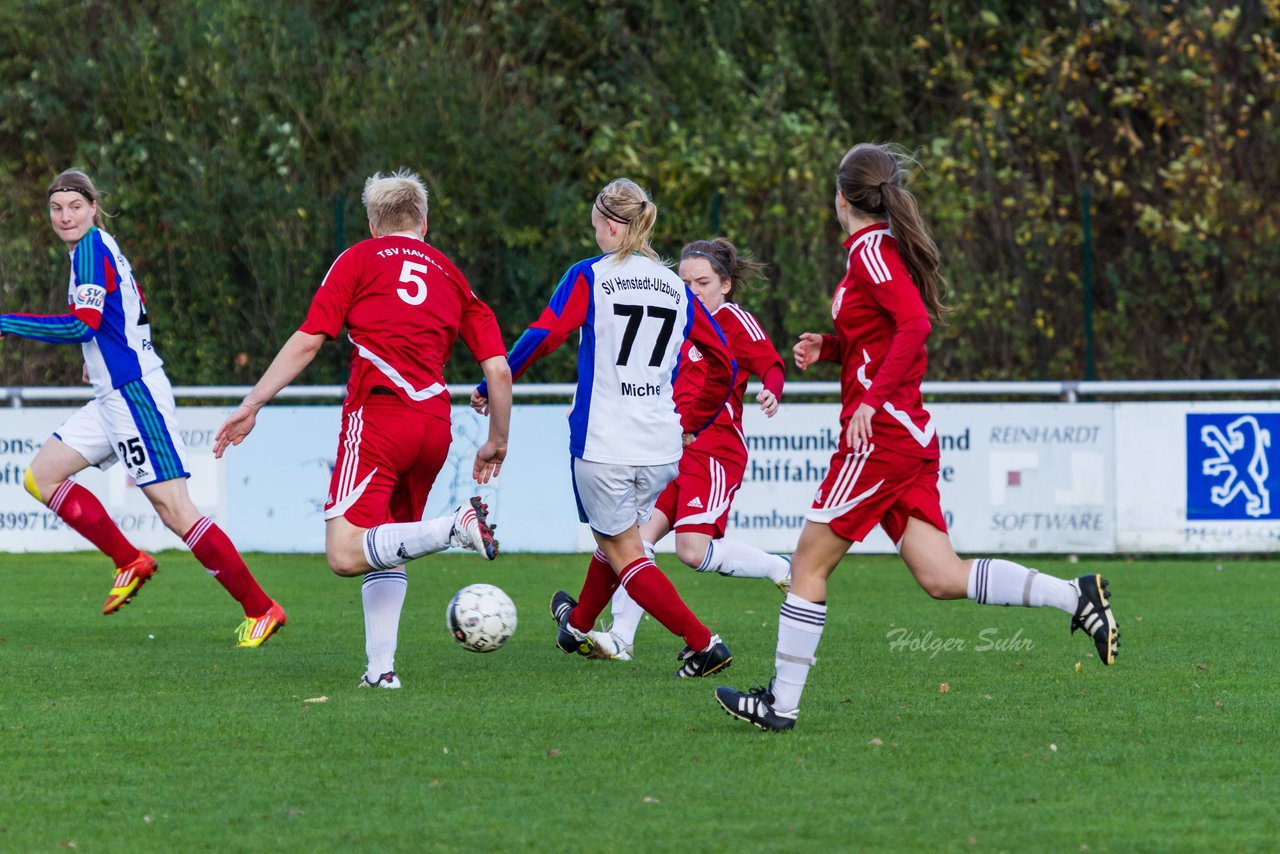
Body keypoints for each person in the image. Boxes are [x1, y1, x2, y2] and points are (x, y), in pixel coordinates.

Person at [715, 143, 1120, 732]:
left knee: (806, 566)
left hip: (880, 439)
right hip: (903, 438)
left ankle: (780, 704)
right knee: (941, 576)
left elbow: (915, 325)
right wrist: (828, 348)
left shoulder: (872, 251)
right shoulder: (871, 253)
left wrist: (871, 402)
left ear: (841, 197)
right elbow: (882, 337)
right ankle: (1076, 597)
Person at [213, 169, 511, 688]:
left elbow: (310, 339)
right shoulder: (450, 273)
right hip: (434, 425)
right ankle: (381, 671)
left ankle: (455, 526)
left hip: (378, 418)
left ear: (375, 224)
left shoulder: (357, 258)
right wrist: (496, 442)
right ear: (424, 222)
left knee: (346, 552)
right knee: (387, 543)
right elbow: (499, 370)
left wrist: (253, 402)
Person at [0, 169, 285, 647]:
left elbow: (83, 325)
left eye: (74, 206)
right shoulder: (97, 248)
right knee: (40, 477)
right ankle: (129, 560)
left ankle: (261, 609)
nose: (65, 215)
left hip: (134, 395)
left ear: (93, 207)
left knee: (176, 511)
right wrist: (101, 359)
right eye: (56, 208)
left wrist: (7, 321)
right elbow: (129, 309)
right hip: (113, 393)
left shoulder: (90, 248)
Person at [471, 178, 738, 678]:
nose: (594, 233)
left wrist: (496, 379)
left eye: (595, 224)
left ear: (612, 225)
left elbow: (544, 334)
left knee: (626, 553)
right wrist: (694, 420)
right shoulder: (677, 287)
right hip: (661, 448)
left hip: (604, 443)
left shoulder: (591, 275)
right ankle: (578, 625)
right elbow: (724, 363)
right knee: (615, 537)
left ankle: (704, 644)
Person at [589, 238, 789, 662]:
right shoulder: (675, 319)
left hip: (716, 450)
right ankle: (621, 639)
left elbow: (770, 362)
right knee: (636, 544)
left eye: (702, 282)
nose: (692, 289)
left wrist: (771, 391)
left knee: (691, 552)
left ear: (726, 285)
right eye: (685, 281)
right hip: (672, 451)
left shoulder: (733, 321)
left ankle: (778, 567)